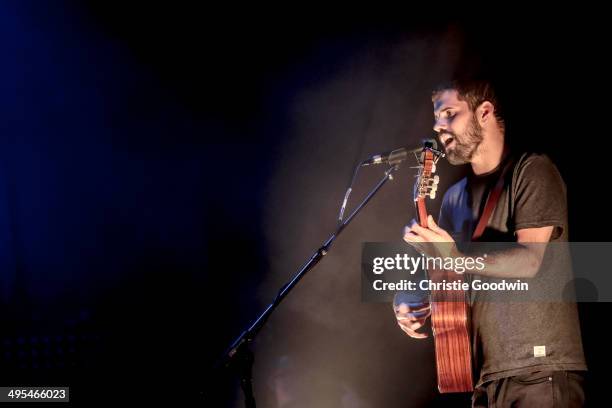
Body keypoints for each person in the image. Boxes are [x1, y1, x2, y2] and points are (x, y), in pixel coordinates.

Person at [394, 79, 587, 407]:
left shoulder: (533, 170)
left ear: (484, 112)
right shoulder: (454, 199)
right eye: (436, 120)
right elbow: (452, 274)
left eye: (449, 114)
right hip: (485, 375)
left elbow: (530, 261)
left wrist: (453, 256)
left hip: (540, 369)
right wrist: (412, 299)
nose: (440, 128)